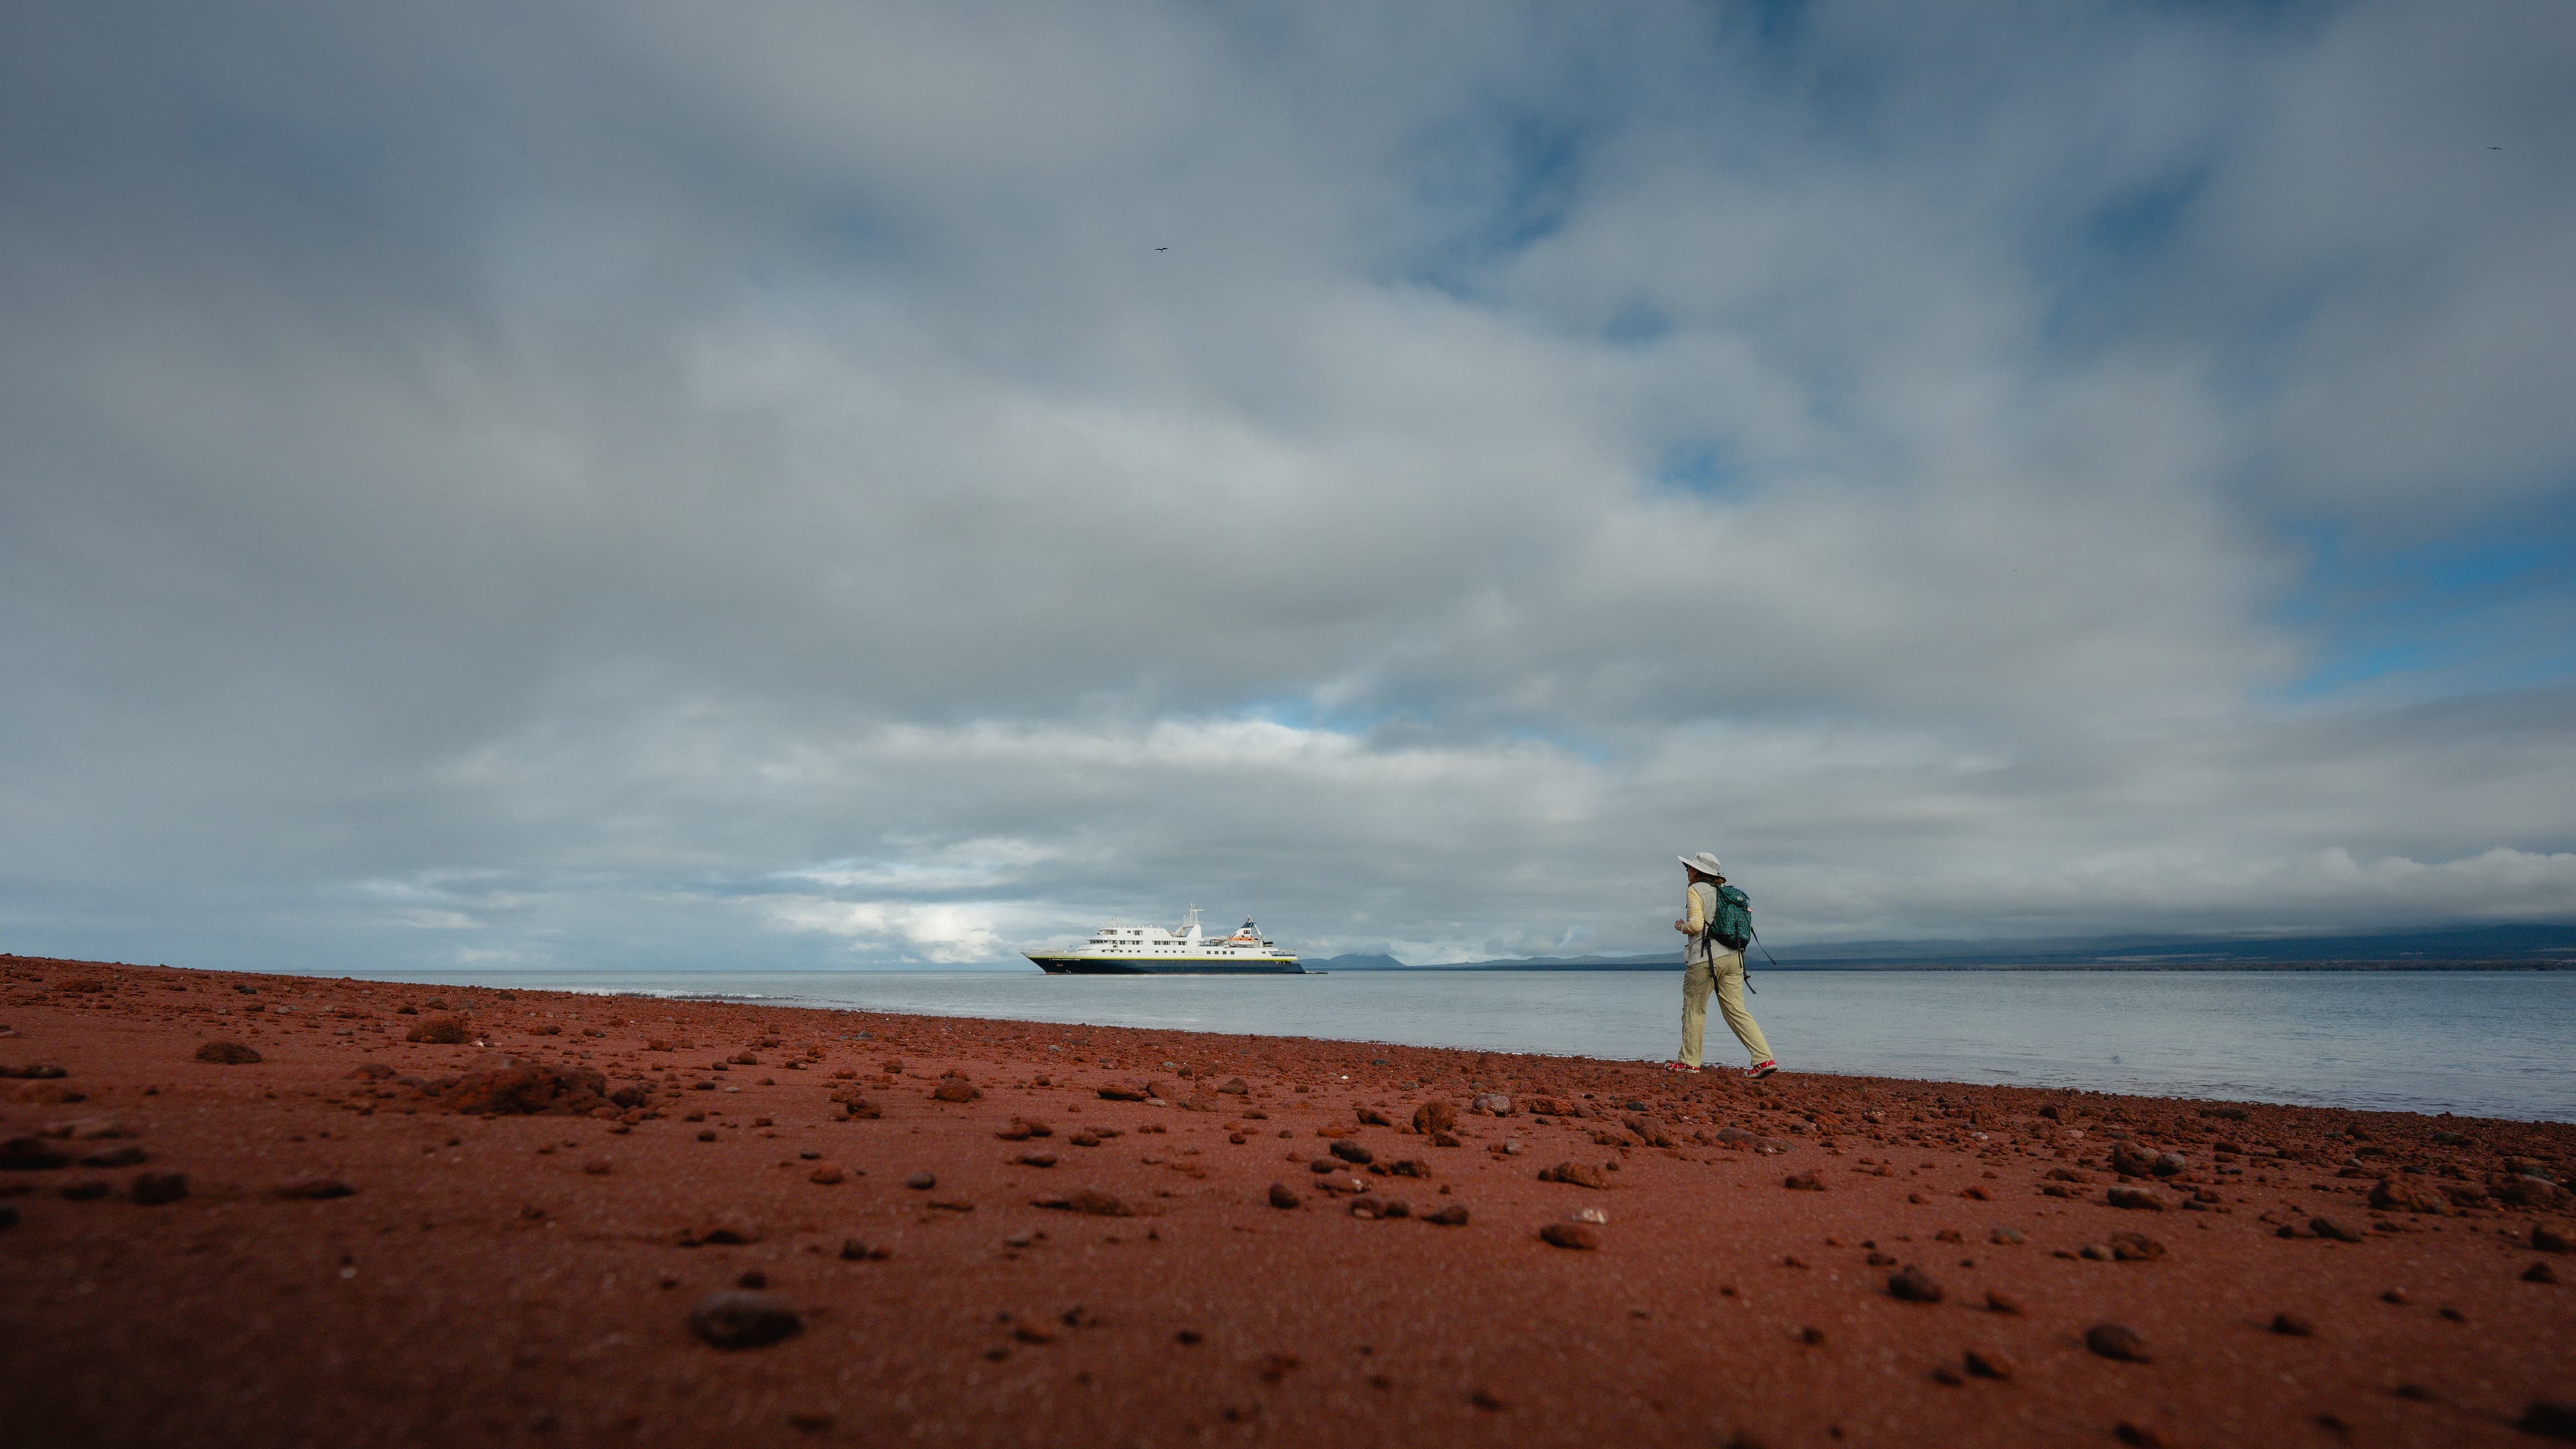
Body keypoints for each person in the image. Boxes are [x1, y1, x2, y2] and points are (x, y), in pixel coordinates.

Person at [1669, 851, 1776, 1077]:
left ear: (1699, 872)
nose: (1687, 871)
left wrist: (1680, 926)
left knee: (1694, 1009)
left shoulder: (1695, 890)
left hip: (1705, 958)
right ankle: (1764, 1059)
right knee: (1737, 1010)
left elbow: (1695, 925)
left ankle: (1689, 1062)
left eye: (1689, 867)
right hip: (1735, 958)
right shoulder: (1726, 893)